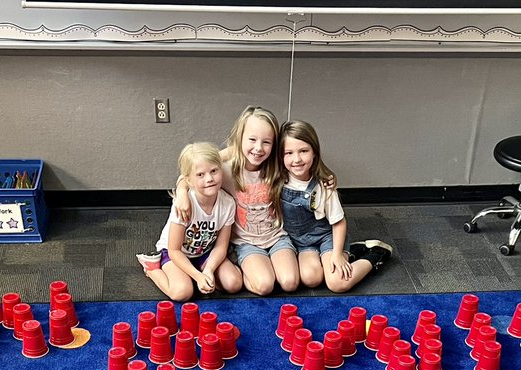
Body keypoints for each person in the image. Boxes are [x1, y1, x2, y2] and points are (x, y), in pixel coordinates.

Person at [172, 106, 299, 296]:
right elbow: (193, 171)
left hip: (276, 237)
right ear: (240, 138)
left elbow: (305, 168)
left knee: (290, 283)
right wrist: (182, 191)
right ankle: (246, 267)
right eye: (252, 140)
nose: (258, 148)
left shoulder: (278, 167)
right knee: (265, 286)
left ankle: (262, 267)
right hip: (246, 241)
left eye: (266, 142)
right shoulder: (224, 169)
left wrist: (327, 180)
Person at [278, 120, 392, 293]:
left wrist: (337, 254)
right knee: (311, 279)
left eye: (303, 151)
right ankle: (353, 251)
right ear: (280, 156)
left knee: (337, 283)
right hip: (300, 243)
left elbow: (339, 222)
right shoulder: (277, 178)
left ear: (314, 152)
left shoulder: (323, 185)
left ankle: (375, 254)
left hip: (327, 237)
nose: (297, 159)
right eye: (289, 153)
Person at [138, 142, 241, 302]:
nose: (209, 179)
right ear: (189, 180)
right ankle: (152, 269)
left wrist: (209, 270)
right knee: (183, 293)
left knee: (233, 283)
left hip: (204, 252)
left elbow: (221, 245)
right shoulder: (184, 205)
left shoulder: (228, 203)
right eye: (200, 174)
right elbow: (175, 250)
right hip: (175, 253)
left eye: (214, 171)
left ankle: (197, 273)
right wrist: (197, 276)